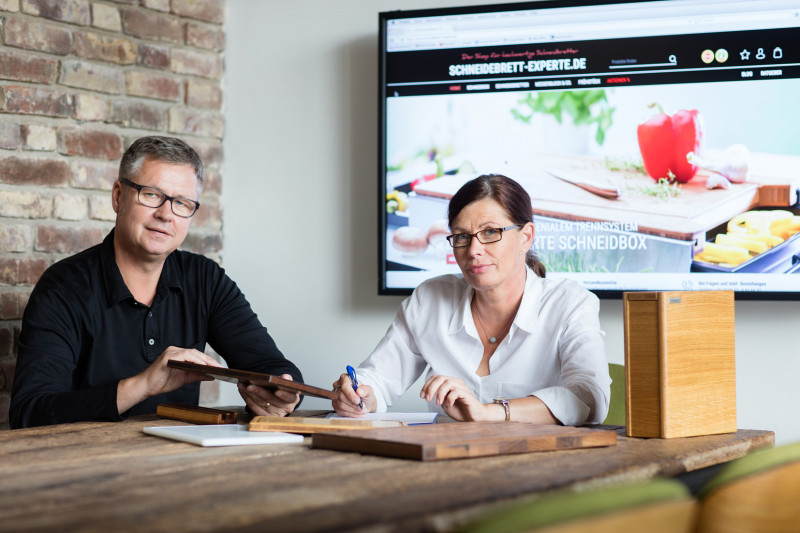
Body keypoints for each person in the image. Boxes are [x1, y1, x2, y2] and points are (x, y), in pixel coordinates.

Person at [10, 136, 302, 428]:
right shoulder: (62, 288)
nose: (166, 214)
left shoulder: (205, 279)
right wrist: (143, 385)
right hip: (88, 465)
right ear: (118, 196)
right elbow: (29, 412)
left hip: (178, 463)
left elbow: (272, 366)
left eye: (182, 203)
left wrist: (284, 395)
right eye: (151, 195)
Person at [332, 174, 610, 425]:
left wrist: (489, 412)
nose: (474, 250)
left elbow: (589, 399)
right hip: (447, 465)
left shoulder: (570, 302)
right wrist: (360, 396)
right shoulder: (430, 298)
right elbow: (379, 379)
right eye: (462, 236)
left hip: (540, 470)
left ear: (526, 237)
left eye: (490, 232)